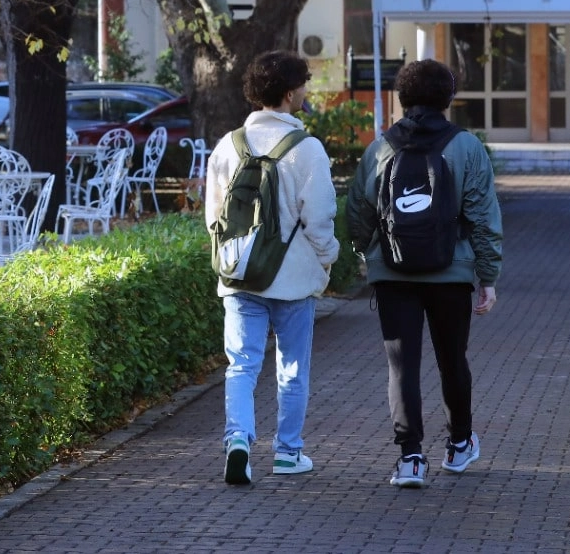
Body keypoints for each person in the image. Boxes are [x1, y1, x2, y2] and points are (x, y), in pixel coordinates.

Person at [346, 59, 502, 489]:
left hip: (392, 273)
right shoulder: (467, 147)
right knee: (453, 360)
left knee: (402, 367)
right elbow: (484, 217)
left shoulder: (380, 147)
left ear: (402, 97)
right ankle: (459, 444)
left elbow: (358, 210)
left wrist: (369, 255)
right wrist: (486, 276)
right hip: (450, 274)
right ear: (448, 100)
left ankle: (411, 458)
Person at [206, 50, 340, 483]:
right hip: (293, 278)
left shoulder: (229, 145)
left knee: (241, 365)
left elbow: (214, 216)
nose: (305, 91)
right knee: (293, 367)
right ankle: (287, 453)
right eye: (302, 83)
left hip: (240, 274)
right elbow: (319, 218)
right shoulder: (307, 149)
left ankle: (239, 441)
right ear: (289, 93)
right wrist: (328, 257)